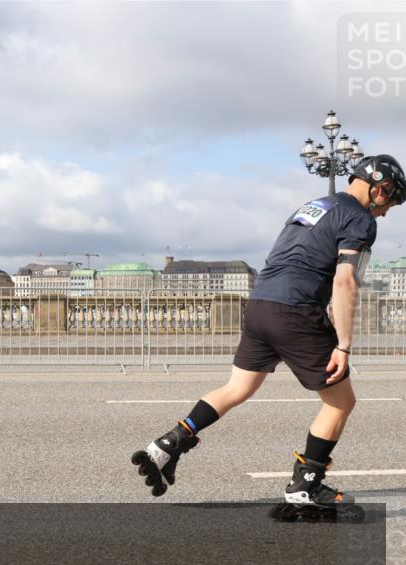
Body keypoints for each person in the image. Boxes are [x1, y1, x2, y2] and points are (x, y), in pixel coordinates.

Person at [132, 154, 405, 518]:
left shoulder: (314, 206)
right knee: (341, 402)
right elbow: (345, 282)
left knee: (237, 388)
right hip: (296, 310)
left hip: (260, 304)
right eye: (391, 204)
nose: (384, 214)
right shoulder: (359, 218)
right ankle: (306, 486)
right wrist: (343, 344)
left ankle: (168, 444)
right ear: (381, 189)